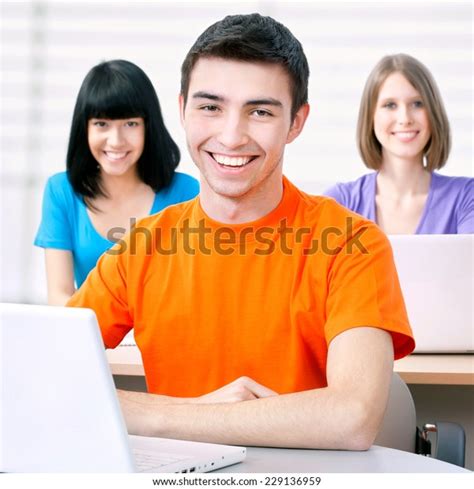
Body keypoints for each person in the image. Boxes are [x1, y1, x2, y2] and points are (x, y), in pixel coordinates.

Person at [68, 14, 414, 449]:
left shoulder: (353, 244)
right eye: (210, 107)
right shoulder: (139, 248)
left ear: (296, 123)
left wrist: (167, 416)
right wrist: (200, 413)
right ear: (182, 110)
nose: (231, 136)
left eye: (260, 111)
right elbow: (43, 374)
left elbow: (353, 418)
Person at [34, 60, 199, 305]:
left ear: (148, 127)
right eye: (101, 124)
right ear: (85, 128)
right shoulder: (61, 191)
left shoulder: (186, 192)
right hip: (91, 337)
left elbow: (191, 292)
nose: (116, 141)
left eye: (130, 124)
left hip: (162, 339)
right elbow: (60, 296)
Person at [324, 54, 473, 234]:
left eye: (417, 104)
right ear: (371, 116)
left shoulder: (466, 198)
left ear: (433, 112)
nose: (405, 119)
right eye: (390, 105)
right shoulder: (340, 202)